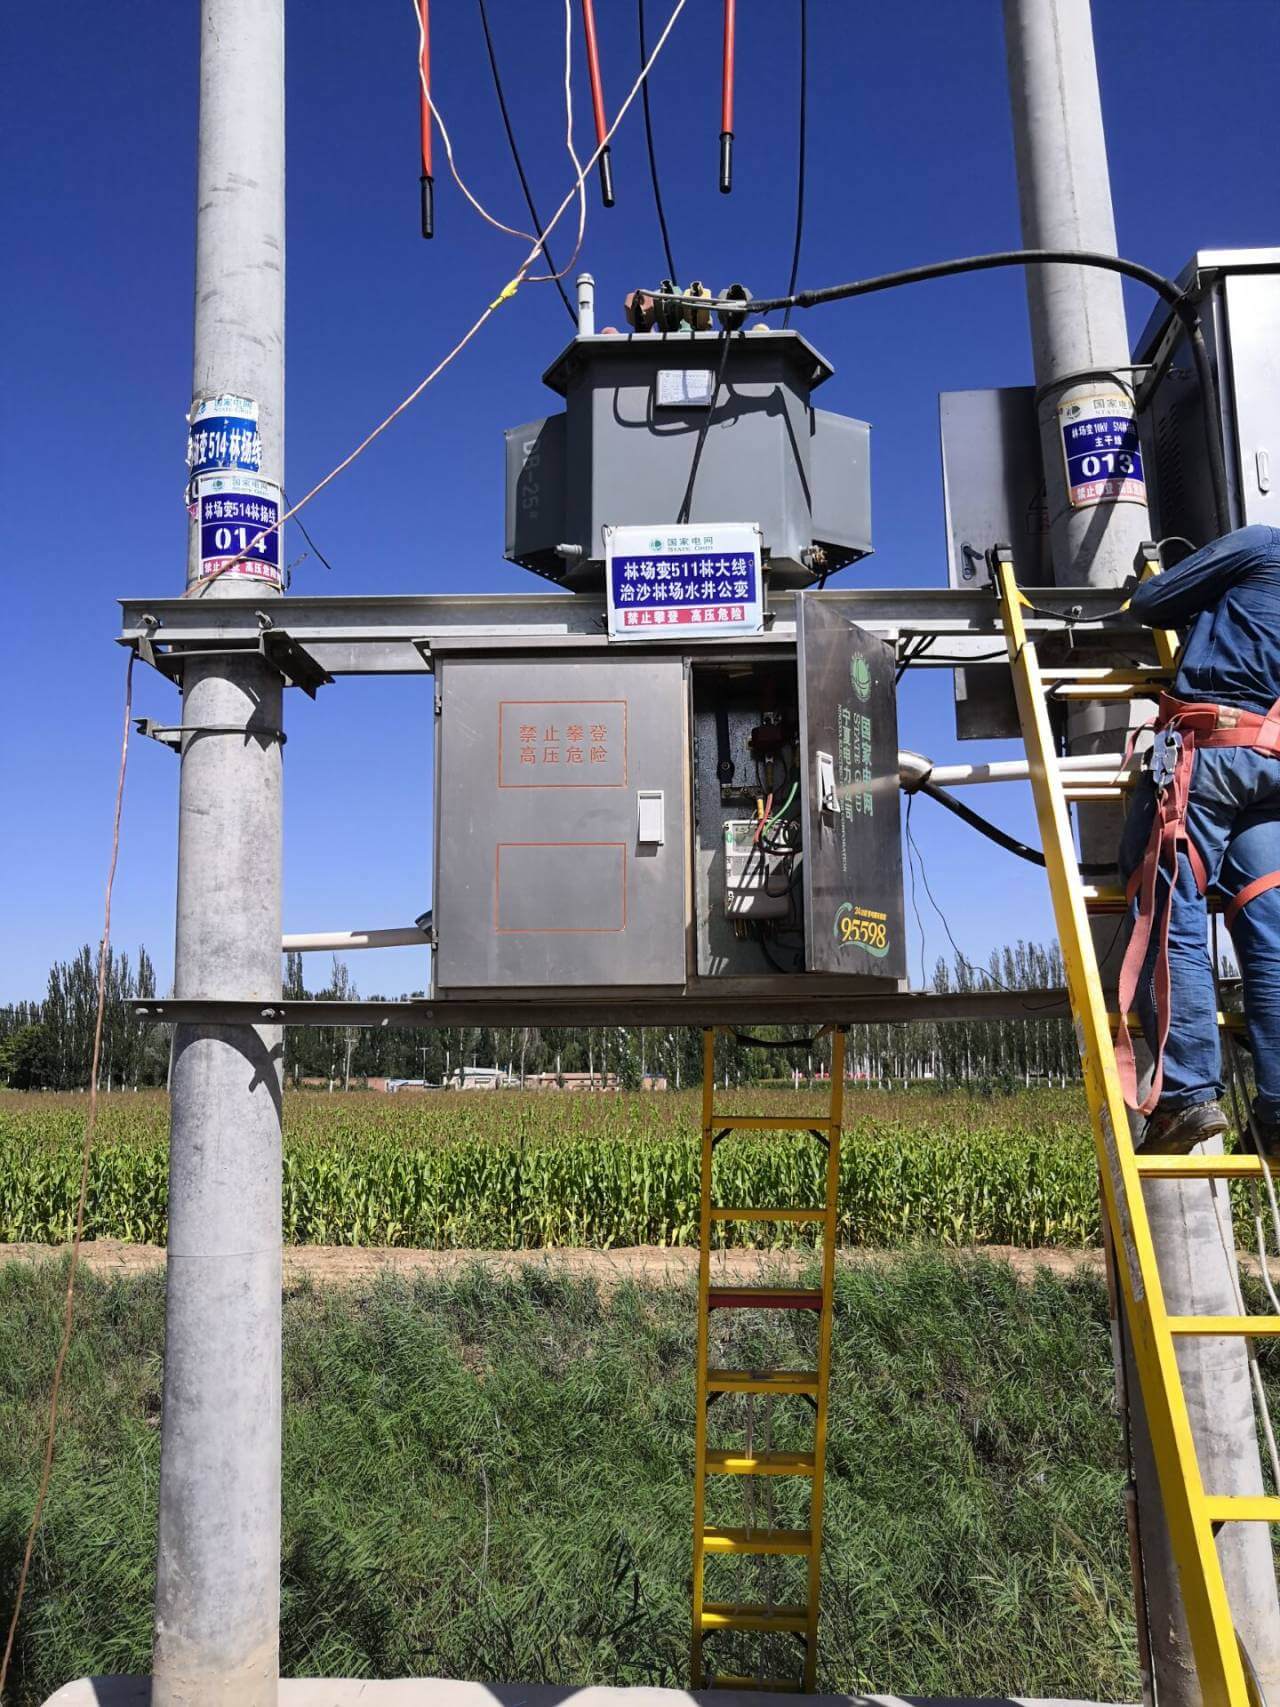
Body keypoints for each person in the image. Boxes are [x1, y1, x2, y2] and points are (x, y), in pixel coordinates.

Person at [1117, 523, 1280, 1154]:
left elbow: (1152, 602)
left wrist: (1202, 584)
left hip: (1212, 752)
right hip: (1270, 769)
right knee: (1269, 926)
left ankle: (1186, 1095)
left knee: (1169, 911)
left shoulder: (1263, 545)